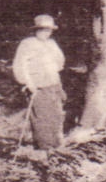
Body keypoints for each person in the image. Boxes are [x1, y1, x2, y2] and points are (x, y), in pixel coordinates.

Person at [13, 14, 66, 149]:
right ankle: (44, 148)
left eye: (49, 30)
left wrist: (51, 70)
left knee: (56, 116)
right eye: (42, 30)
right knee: (41, 118)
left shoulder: (52, 44)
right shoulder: (27, 43)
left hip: (53, 84)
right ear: (36, 30)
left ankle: (56, 147)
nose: (46, 33)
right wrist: (28, 83)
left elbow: (60, 62)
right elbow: (20, 65)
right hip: (38, 87)